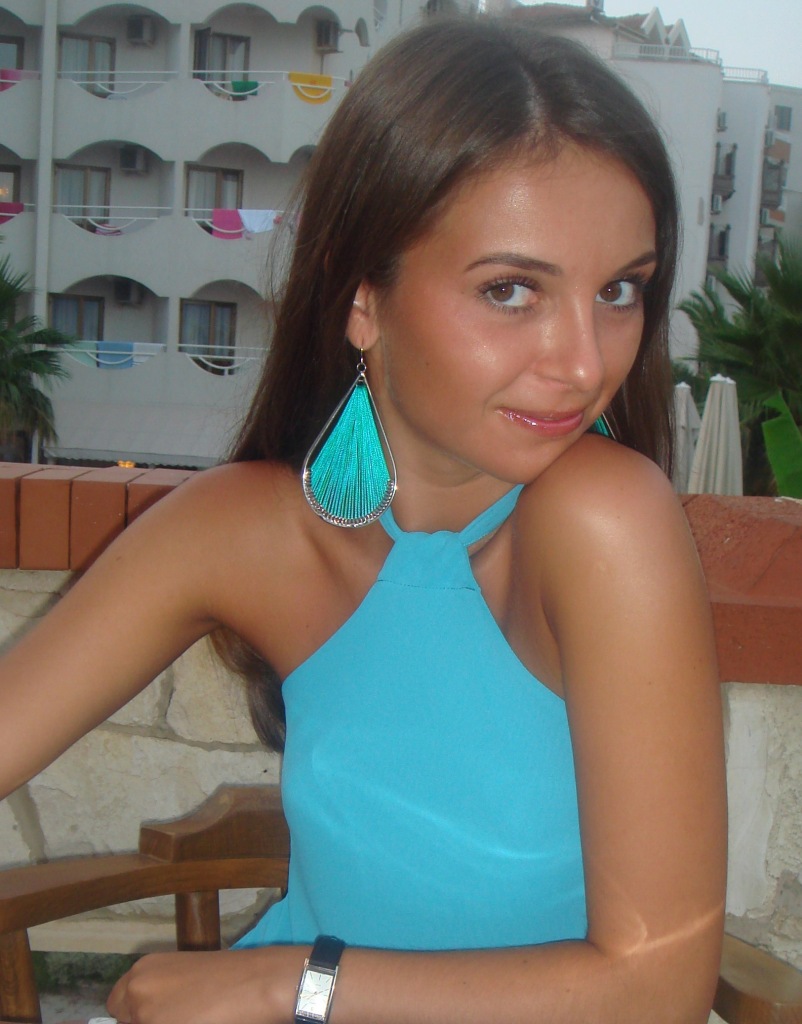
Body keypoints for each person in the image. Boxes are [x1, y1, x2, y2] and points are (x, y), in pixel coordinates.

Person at [0, 15, 726, 1024]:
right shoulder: (248, 529)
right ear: (362, 297)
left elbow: (657, 988)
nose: (582, 360)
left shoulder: (604, 520)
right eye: (511, 290)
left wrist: (286, 980)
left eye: (619, 290)